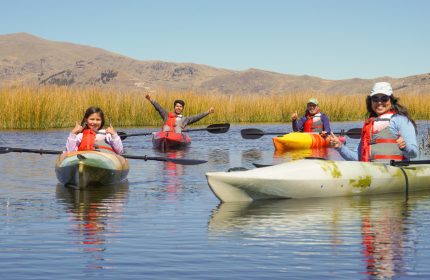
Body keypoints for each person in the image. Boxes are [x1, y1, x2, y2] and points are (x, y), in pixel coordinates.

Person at [328, 82, 418, 162]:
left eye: (384, 98)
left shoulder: (401, 120)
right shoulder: (369, 126)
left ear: (391, 101)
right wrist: (340, 147)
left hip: (396, 172)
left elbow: (414, 153)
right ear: (370, 102)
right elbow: (358, 158)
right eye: (375, 99)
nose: (379, 102)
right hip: (373, 171)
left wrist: (405, 147)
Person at [145, 93, 215, 133]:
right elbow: (159, 107)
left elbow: (197, 117)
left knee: (178, 129)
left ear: (182, 108)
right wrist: (150, 99)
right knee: (166, 127)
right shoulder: (166, 115)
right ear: (174, 107)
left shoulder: (185, 119)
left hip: (177, 136)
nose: (178, 108)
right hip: (165, 135)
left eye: (180, 107)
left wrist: (208, 112)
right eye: (177, 106)